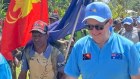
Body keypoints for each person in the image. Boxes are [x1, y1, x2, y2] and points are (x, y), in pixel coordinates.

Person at [64, 2, 140, 79]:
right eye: (89, 26)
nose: (94, 31)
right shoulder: (79, 46)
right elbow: (71, 76)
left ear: (110, 22)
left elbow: (136, 77)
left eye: (99, 26)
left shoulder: (127, 47)